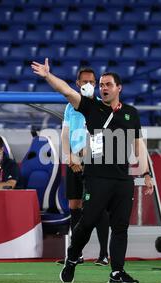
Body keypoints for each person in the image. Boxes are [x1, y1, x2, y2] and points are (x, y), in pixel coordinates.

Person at [32, 58, 154, 283]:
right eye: (102, 85)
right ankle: (72, 259)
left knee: (120, 228)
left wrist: (146, 174)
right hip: (97, 178)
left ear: (119, 88)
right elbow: (67, 91)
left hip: (122, 179)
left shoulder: (131, 113)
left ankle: (117, 272)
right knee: (87, 222)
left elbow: (139, 145)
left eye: (108, 85)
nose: (104, 88)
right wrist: (48, 76)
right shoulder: (91, 107)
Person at [59, 67, 110, 267]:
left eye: (92, 82)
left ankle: (104, 254)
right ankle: (76, 253)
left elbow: (100, 136)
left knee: (99, 205)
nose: (88, 85)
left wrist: (83, 156)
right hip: (73, 161)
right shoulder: (69, 107)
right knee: (74, 205)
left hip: (94, 160)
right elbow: (65, 133)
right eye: (85, 81)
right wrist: (70, 157)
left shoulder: (101, 106)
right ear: (77, 83)